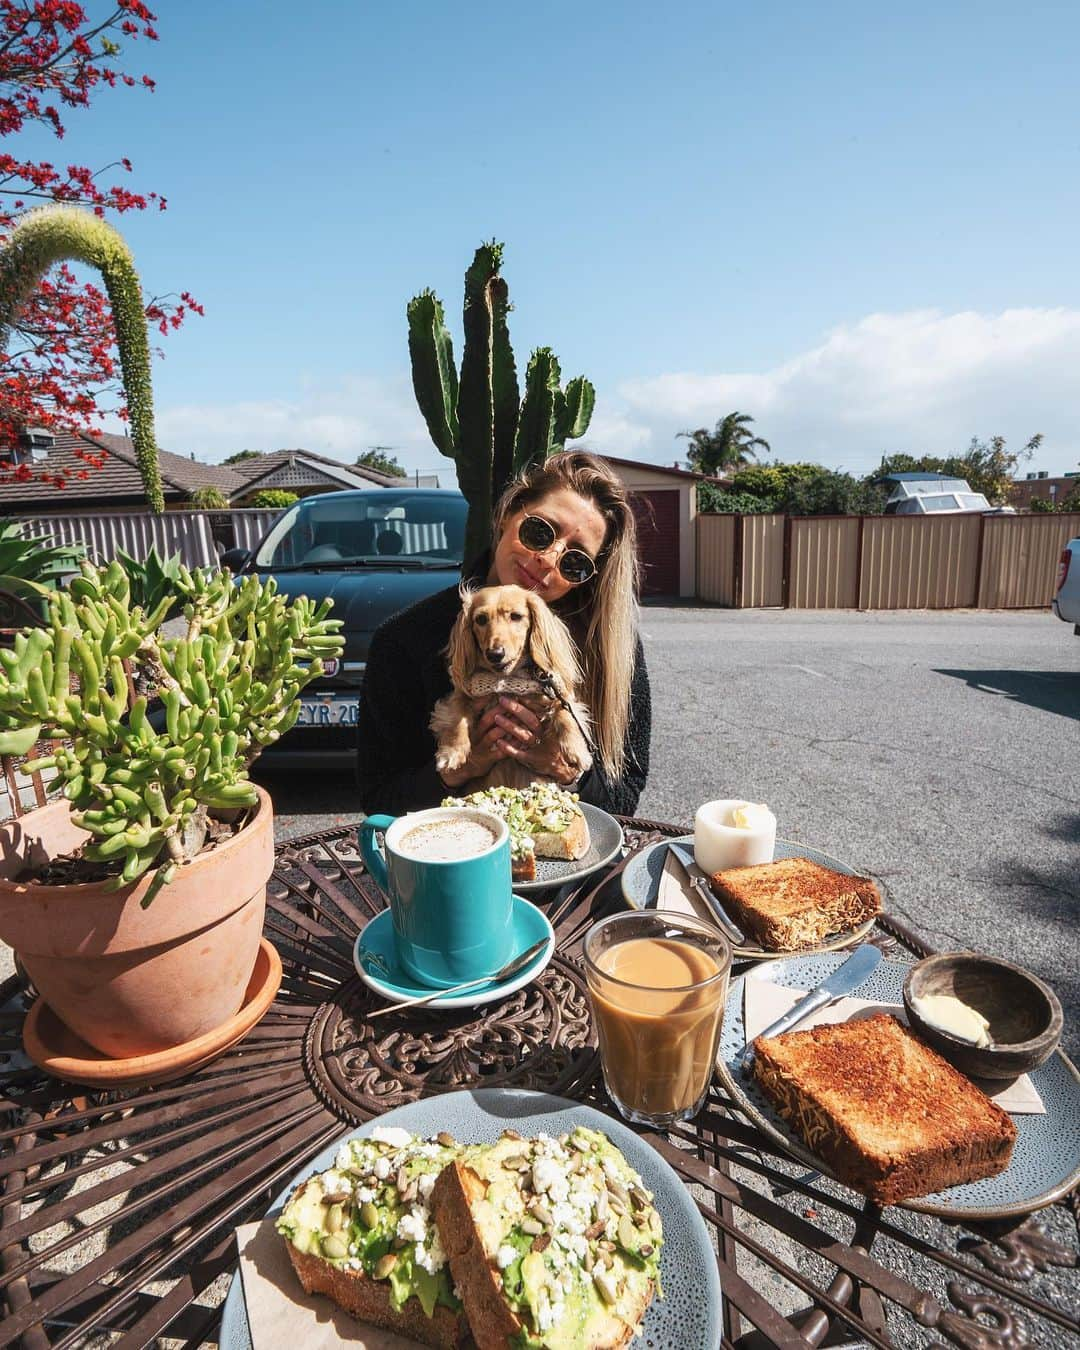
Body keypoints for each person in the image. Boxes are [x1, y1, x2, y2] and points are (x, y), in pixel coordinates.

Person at [356, 451, 650, 817]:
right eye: (540, 531)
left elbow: (626, 795)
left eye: (574, 561)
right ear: (507, 514)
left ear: (587, 576)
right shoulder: (404, 640)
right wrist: (462, 769)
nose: (548, 558)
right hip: (451, 860)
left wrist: (562, 769)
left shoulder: (611, 647)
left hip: (568, 861)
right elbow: (379, 797)